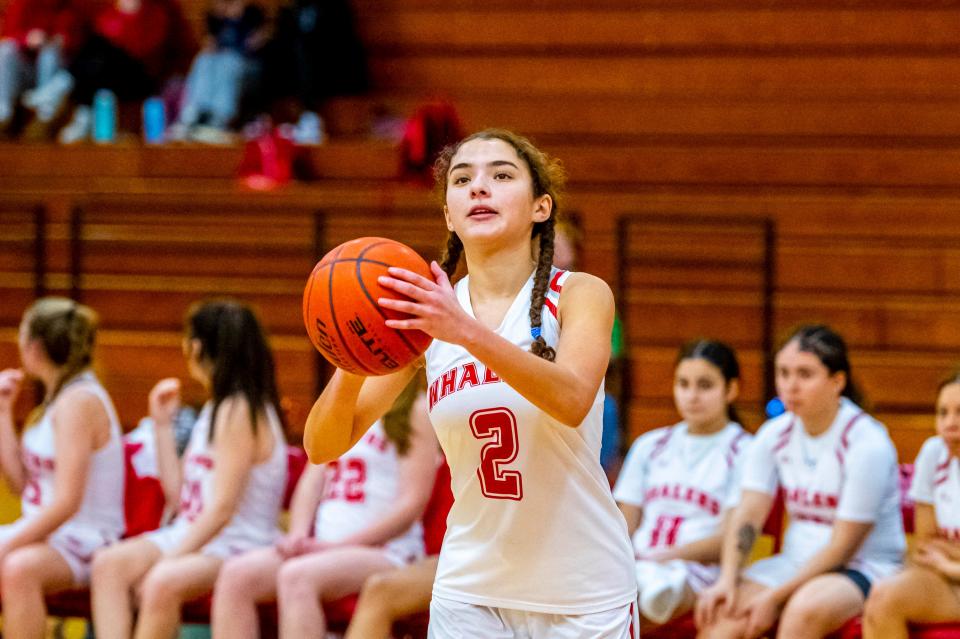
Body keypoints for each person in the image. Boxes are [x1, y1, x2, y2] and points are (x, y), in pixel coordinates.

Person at [304, 128, 638, 638]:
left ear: (541, 208)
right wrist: (358, 346)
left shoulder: (580, 294)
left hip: (581, 588)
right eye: (462, 180)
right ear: (448, 215)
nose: (479, 187)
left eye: (501, 175)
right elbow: (324, 444)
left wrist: (460, 329)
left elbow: (571, 398)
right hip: (470, 587)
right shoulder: (429, 319)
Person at [90, 299, 288, 639]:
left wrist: (170, 558)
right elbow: (181, 496)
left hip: (239, 543)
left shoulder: (239, 411)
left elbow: (223, 509)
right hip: (199, 533)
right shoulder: (217, 406)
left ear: (197, 347)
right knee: (108, 566)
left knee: (161, 582)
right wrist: (162, 426)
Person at [695, 324, 904, 639]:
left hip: (863, 567)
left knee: (801, 614)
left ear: (837, 381)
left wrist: (775, 597)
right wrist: (727, 578)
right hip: (795, 562)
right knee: (721, 619)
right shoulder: (774, 434)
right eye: (783, 373)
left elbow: (842, 547)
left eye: (804, 375)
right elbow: (748, 514)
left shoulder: (867, 443)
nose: (790, 386)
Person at [211, 375, 438, 639]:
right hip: (323, 547)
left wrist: (340, 547)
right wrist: (297, 534)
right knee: (235, 575)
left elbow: (412, 504)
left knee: (296, 577)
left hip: (386, 551)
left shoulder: (416, 408)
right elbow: (311, 483)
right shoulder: (345, 404)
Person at [0, 298, 124, 639]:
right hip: (49, 535)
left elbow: (68, 501)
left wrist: (9, 544)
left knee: (18, 569)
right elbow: (20, 484)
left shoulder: (78, 403)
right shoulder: (57, 398)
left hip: (85, 541)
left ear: (35, 346)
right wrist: (2, 412)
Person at [613, 339, 751, 628]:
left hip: (698, 571)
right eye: (683, 384)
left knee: (636, 601)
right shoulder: (649, 445)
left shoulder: (747, 450)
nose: (692, 395)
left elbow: (729, 537)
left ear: (731, 389)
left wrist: (666, 556)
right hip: (638, 565)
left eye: (705, 385)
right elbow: (624, 525)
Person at [862, 372, 960, 637]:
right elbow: (926, 544)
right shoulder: (933, 453)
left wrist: (949, 563)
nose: (950, 424)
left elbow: (940, 554)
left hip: (949, 572)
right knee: (880, 598)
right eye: (942, 413)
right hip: (948, 577)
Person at [169, 0, 268, 143]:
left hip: (245, 64)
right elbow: (211, 42)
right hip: (220, 62)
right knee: (203, 59)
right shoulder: (216, 16)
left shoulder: (253, 14)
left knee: (228, 62)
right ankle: (193, 112)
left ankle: (219, 116)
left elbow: (256, 44)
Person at [0, 0, 86, 131]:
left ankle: (44, 114)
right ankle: (3, 112)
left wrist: (57, 41)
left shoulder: (70, 8)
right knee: (5, 50)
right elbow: (8, 34)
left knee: (50, 53)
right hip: (24, 69)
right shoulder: (22, 4)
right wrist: (27, 39)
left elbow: (76, 42)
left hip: (54, 77)